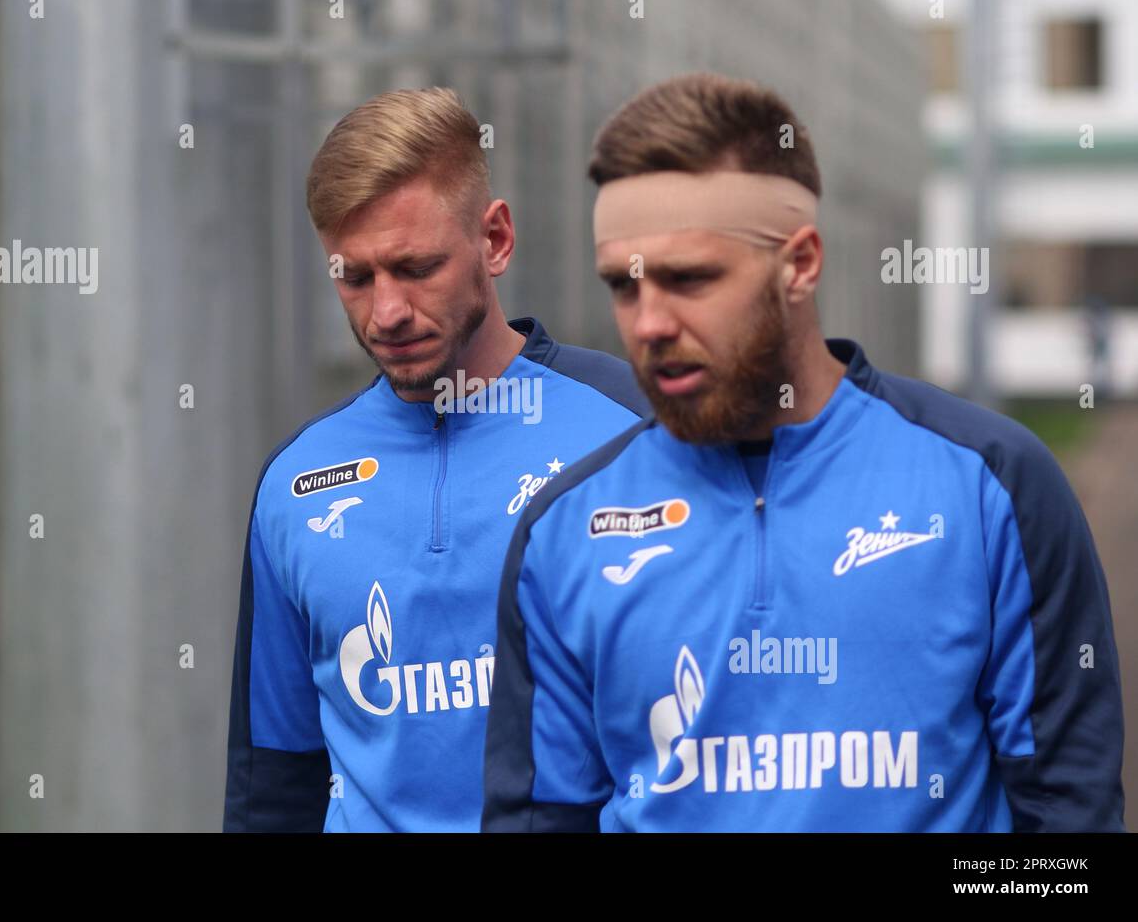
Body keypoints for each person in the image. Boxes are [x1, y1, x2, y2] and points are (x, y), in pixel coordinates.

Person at [482, 72, 1125, 832]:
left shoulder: (990, 482)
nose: (649, 322)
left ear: (801, 263)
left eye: (690, 278)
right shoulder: (563, 529)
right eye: (624, 285)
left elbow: (1067, 820)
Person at [223, 87, 648, 831]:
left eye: (416, 268)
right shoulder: (296, 481)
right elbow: (274, 781)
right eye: (354, 278)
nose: (385, 312)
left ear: (495, 240)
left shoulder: (634, 432)